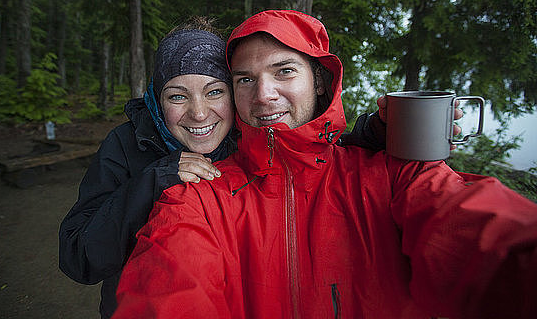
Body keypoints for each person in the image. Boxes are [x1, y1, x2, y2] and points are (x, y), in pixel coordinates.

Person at [112, 10, 537, 319]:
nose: (264, 95)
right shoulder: (201, 196)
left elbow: (488, 241)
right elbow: (167, 293)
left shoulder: (393, 175)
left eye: (284, 71)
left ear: (318, 80)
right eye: (244, 78)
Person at [58, 17, 388, 319]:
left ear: (232, 95)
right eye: (177, 96)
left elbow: (304, 157)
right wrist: (152, 180)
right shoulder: (127, 146)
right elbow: (78, 258)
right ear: (157, 100)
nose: (199, 113)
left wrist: (369, 136)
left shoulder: (244, 138)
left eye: (214, 91)